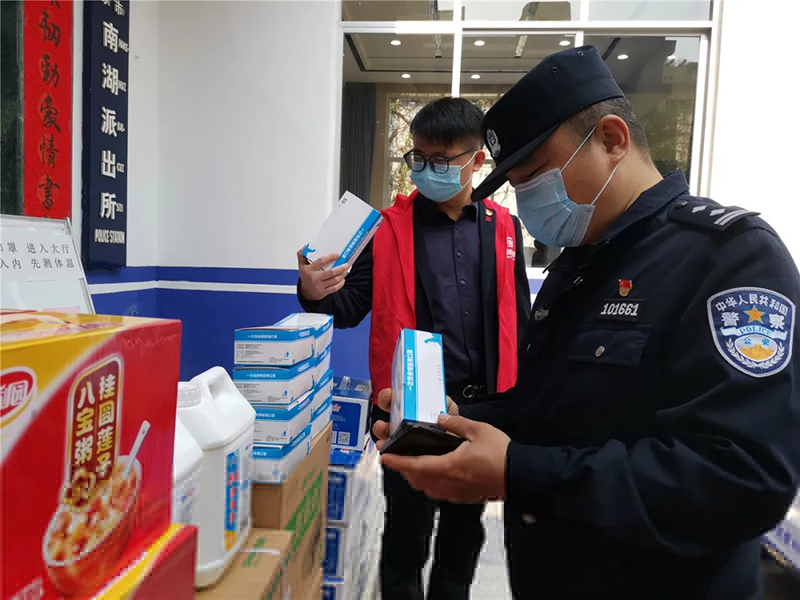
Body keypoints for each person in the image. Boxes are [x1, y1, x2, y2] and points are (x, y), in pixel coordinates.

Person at [372, 45, 800, 600]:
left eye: (534, 175)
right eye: (517, 184)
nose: (527, 198)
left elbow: (740, 478)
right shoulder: (577, 267)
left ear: (612, 140)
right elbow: (548, 409)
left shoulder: (729, 260)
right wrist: (452, 419)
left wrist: (517, 473)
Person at [296, 97, 531, 600]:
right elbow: (349, 306)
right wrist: (314, 292)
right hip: (405, 409)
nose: (426, 170)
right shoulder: (385, 228)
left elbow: (521, 318)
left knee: (464, 531)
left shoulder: (505, 228)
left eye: (441, 160)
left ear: (477, 161)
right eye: (418, 158)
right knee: (406, 531)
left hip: (480, 409)